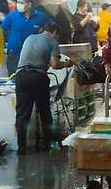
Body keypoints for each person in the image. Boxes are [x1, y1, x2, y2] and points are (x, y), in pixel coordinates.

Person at [14, 23, 74, 154]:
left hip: (21, 75)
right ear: (55, 32)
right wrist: (67, 63)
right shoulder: (52, 41)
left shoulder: (30, 37)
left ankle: (21, 147)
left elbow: (31, 58)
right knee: (44, 112)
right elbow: (55, 64)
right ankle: (48, 145)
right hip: (37, 78)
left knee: (22, 114)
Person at [1, 0, 52, 75]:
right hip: (14, 54)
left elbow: (52, 29)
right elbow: (2, 30)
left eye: (21, 3)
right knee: (14, 80)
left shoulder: (41, 17)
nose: (18, 5)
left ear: (29, 4)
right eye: (17, 2)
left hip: (33, 55)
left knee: (32, 80)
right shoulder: (12, 16)